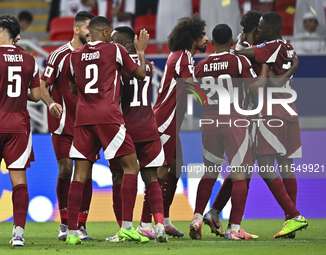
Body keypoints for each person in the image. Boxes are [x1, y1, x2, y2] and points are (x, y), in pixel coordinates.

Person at [196, 10, 300, 239]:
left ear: (258, 31)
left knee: (251, 168)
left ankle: (291, 217)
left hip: (265, 113)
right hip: (281, 111)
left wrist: (241, 47)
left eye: (246, 30)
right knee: (256, 168)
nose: (243, 34)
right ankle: (289, 218)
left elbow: (263, 81)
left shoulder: (259, 51)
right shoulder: (284, 46)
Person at [64, 16, 149, 244]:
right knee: (131, 167)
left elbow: (73, 88)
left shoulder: (74, 55)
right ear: (103, 33)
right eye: (109, 33)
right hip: (108, 116)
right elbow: (140, 74)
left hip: (83, 118)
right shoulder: (115, 50)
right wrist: (140, 51)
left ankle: (72, 233)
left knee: (79, 174)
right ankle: (128, 228)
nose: (111, 36)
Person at [190, 23, 268, 240]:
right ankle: (234, 228)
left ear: (213, 43)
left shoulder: (201, 65)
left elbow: (195, 92)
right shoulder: (238, 60)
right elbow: (256, 87)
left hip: (209, 122)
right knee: (240, 174)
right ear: (232, 41)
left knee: (209, 172)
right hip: (234, 121)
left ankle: (197, 217)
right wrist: (263, 66)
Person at [235, 12, 308, 238]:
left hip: (271, 112)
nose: (258, 29)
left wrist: (238, 41)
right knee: (287, 167)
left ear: (267, 31)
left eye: (260, 27)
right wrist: (293, 67)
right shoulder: (288, 46)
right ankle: (290, 223)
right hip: (290, 110)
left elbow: (239, 52)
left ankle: (293, 215)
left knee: (266, 166)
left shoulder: (271, 47)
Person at [106, 26, 167, 243]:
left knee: (120, 177)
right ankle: (159, 225)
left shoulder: (116, 68)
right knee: (151, 178)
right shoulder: (148, 65)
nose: (109, 46)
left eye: (113, 42)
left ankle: (125, 229)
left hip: (126, 128)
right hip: (149, 126)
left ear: (122, 45)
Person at [40, 11, 95, 241]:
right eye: (87, 29)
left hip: (87, 124)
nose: (90, 34)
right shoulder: (58, 55)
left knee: (86, 173)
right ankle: (64, 223)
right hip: (62, 123)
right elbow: (43, 85)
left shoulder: (94, 54)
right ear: (76, 29)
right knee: (65, 170)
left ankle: (81, 225)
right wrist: (51, 102)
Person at [0, 15, 41, 246]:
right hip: (19, 125)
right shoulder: (30, 60)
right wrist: (18, 94)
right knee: (19, 180)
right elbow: (37, 96)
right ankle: (18, 234)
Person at [153, 14, 208, 237]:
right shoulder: (183, 56)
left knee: (175, 169)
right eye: (203, 35)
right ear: (192, 37)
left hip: (171, 122)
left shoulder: (181, 56)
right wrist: (217, 99)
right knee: (160, 172)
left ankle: (164, 219)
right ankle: (147, 223)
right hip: (165, 121)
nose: (206, 39)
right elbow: (192, 87)